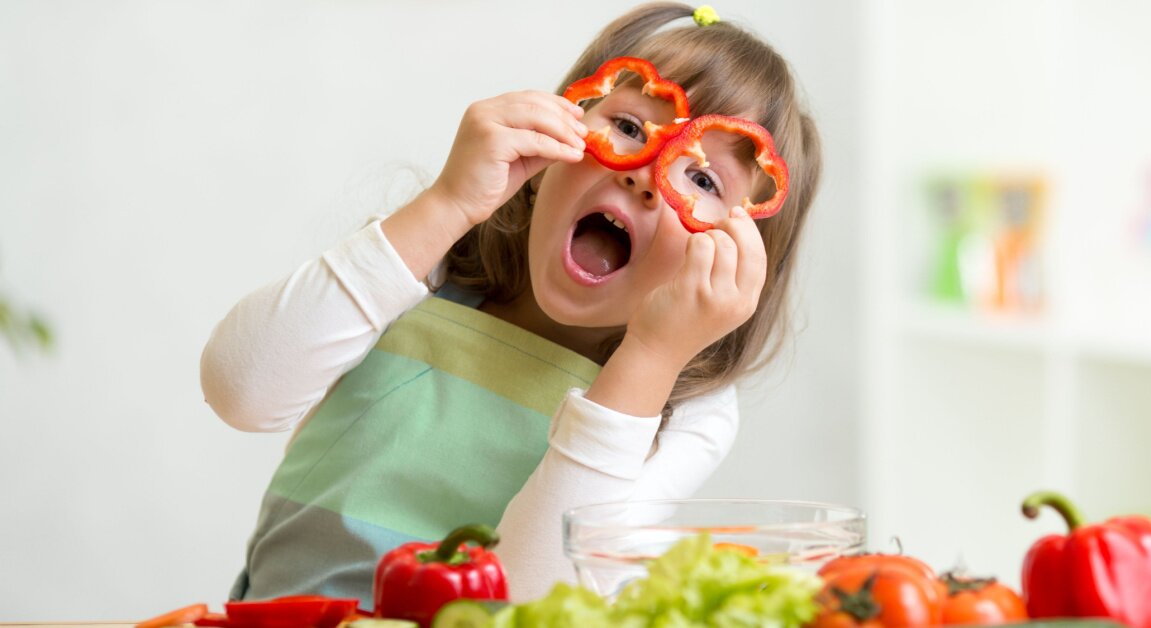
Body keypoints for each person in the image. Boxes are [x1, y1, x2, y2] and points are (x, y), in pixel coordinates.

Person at [200, 1, 822, 607]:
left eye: (703, 179)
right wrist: (445, 203)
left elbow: (535, 598)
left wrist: (652, 357)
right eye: (629, 127)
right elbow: (240, 391)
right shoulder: (429, 263)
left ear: (739, 257)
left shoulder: (690, 409)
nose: (644, 174)